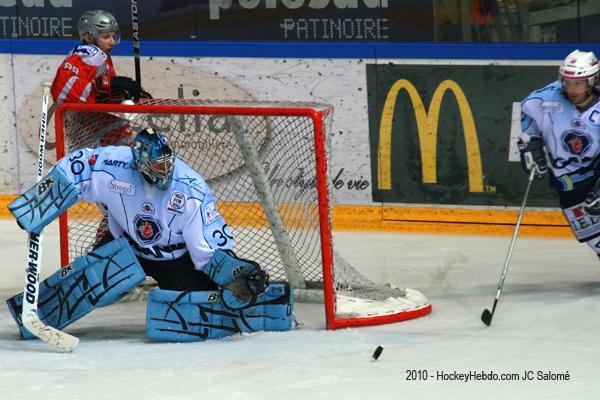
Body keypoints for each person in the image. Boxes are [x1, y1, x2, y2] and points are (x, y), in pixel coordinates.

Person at [6, 129, 293, 342]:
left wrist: (234, 272)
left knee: (198, 308)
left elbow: (206, 248)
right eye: (158, 165)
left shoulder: (190, 188)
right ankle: (33, 313)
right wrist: (42, 199)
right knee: (88, 282)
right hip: (125, 247)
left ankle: (264, 308)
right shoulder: (115, 165)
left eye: (167, 162)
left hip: (176, 259)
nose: (165, 169)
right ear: (140, 163)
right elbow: (77, 165)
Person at [519, 49, 600, 258]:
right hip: (570, 181)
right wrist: (531, 145)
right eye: (567, 82)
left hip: (597, 173)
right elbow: (528, 124)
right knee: (595, 238)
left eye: (579, 83)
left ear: (592, 81)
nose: (572, 89)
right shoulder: (543, 100)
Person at [51, 9, 142, 106]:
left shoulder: (104, 57)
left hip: (88, 114)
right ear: (88, 38)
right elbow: (60, 88)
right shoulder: (90, 53)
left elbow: (103, 95)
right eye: (106, 37)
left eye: (114, 36)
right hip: (78, 115)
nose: (112, 42)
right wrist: (107, 84)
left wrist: (124, 92)